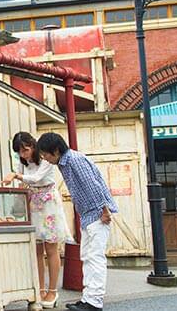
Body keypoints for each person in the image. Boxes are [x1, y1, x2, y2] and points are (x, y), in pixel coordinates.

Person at [37, 132, 117, 311]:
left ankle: (94, 302)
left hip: (97, 213)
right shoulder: (64, 163)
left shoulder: (74, 160)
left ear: (56, 150)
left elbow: (93, 185)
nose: (45, 158)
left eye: (46, 154)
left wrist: (104, 210)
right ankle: (88, 299)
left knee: (95, 258)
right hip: (88, 215)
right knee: (87, 257)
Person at [1, 132, 71, 309]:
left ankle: (52, 291)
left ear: (33, 145)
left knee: (51, 248)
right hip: (33, 203)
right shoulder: (23, 162)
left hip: (48, 203)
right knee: (37, 249)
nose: (23, 154)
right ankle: (39, 289)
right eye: (20, 152)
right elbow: (25, 181)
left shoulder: (45, 157)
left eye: (25, 149)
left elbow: (37, 178)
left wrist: (16, 176)